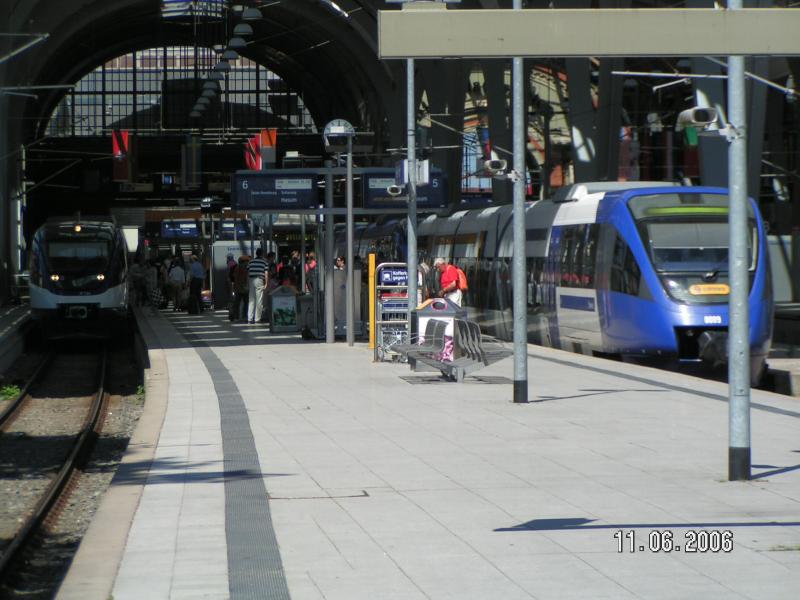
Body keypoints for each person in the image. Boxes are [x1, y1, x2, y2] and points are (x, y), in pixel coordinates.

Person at [247, 248, 269, 323]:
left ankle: (250, 318)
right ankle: (257, 318)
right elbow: (266, 273)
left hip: (251, 280)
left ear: (256, 253)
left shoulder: (251, 261)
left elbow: (248, 272)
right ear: (262, 254)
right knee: (259, 300)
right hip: (259, 280)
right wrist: (266, 283)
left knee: (251, 300)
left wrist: (248, 282)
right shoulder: (264, 262)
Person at [231, 255, 250, 321]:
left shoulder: (238, 268)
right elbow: (237, 278)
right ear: (243, 262)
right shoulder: (242, 268)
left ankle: (237, 317)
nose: (248, 262)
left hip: (240, 288)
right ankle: (243, 316)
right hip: (242, 288)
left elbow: (235, 278)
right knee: (245, 303)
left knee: (238, 303)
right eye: (247, 261)